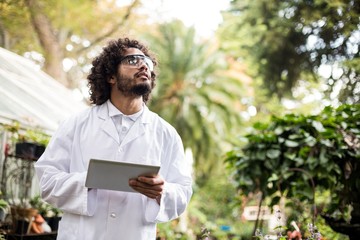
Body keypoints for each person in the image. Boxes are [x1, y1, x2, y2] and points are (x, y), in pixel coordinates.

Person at [34, 37, 193, 240]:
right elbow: (47, 180)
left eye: (147, 62)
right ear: (110, 76)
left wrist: (163, 190)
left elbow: (183, 191)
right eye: (133, 60)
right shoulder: (75, 124)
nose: (144, 65)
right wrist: (89, 180)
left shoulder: (166, 133)